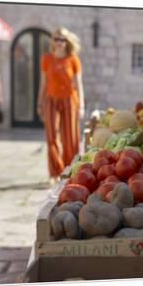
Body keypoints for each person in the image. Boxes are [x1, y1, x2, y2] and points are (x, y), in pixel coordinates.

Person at [37, 27, 85, 184]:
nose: (59, 42)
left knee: (70, 138)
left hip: (69, 100)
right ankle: (55, 172)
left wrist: (82, 105)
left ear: (67, 41)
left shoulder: (73, 59)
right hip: (51, 100)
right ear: (53, 41)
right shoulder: (46, 59)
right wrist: (39, 102)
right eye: (57, 39)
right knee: (51, 137)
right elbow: (43, 83)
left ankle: (69, 170)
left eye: (63, 39)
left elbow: (78, 84)